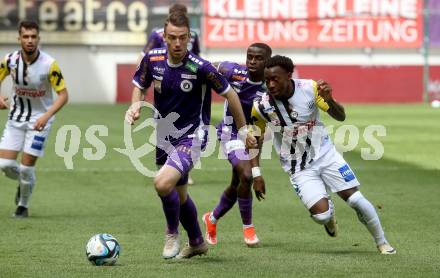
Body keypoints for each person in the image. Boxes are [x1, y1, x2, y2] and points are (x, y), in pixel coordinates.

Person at [125, 12, 248, 259]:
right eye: (172, 37)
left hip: (194, 135)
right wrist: (135, 104)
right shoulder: (153, 59)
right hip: (164, 134)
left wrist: (244, 130)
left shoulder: (200, 67)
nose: (178, 43)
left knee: (162, 183)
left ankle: (171, 233)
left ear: (189, 37)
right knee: (178, 195)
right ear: (164, 36)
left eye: (183, 38)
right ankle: (197, 241)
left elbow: (231, 95)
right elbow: (140, 85)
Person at [248, 55, 396, 255]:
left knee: (356, 199)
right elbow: (254, 138)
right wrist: (256, 174)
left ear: (289, 76)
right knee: (321, 217)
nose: (271, 84)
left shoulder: (310, 88)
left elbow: (340, 116)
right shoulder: (261, 106)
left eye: (276, 79)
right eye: (267, 81)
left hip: (326, 155)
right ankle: (329, 215)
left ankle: (382, 243)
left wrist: (330, 100)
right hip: (297, 167)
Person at [202, 43, 271, 247]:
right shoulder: (232, 71)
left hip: (253, 135)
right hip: (230, 133)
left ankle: (211, 219)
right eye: (249, 56)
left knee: (238, 184)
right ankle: (248, 228)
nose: (252, 61)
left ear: (267, 61)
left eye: (258, 58)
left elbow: (258, 133)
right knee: (247, 176)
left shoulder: (270, 88)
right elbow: (203, 67)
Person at [0, 20, 69, 218]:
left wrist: (46, 116)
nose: (29, 41)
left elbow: (64, 95)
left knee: (26, 167)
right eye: (25, 37)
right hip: (15, 119)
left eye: (33, 37)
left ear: (38, 38)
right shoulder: (10, 60)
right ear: (19, 38)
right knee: (4, 165)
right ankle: (25, 180)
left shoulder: (50, 65)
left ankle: (22, 206)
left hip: (40, 121)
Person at [138, 3, 200, 185]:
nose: (177, 41)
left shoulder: (194, 35)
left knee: (187, 126)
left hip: (186, 82)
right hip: (163, 85)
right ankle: (168, 167)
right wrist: (143, 79)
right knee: (164, 127)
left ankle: (180, 168)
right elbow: (145, 56)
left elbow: (196, 56)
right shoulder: (157, 35)